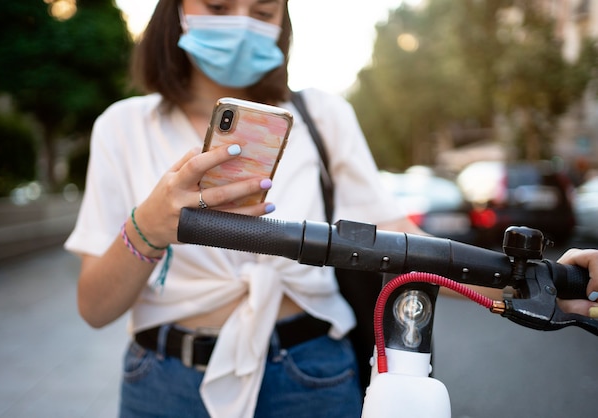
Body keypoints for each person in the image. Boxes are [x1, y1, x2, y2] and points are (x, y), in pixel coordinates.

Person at [64, 1, 598, 417]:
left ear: (283, 19)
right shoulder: (123, 126)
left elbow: (403, 243)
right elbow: (96, 307)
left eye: (264, 11)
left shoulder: (323, 117)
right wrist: (148, 227)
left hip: (311, 373)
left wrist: (545, 286)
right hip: (164, 381)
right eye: (220, 6)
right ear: (175, 8)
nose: (243, 24)